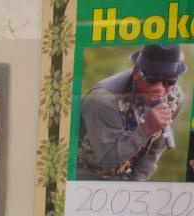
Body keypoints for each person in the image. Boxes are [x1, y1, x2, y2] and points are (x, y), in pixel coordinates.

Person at [77, 44, 186, 181]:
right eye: (152, 79)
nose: (159, 88)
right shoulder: (103, 99)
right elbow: (108, 158)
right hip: (87, 176)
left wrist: (137, 182)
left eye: (169, 81)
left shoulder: (174, 98)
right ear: (136, 73)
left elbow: (154, 150)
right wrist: (147, 128)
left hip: (127, 178)